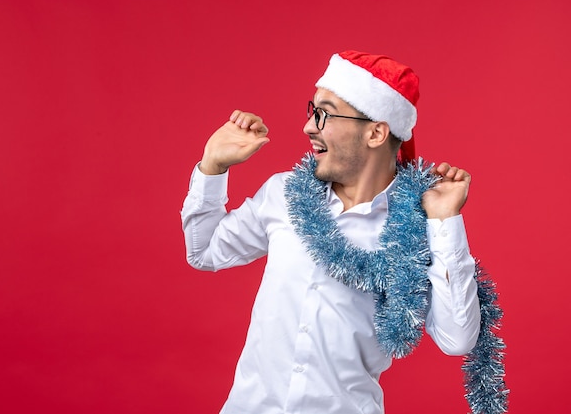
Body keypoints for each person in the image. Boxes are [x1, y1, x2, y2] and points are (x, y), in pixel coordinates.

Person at [181, 50, 483, 414]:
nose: (309, 126)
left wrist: (445, 220)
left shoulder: (418, 228)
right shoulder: (283, 193)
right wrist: (212, 166)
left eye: (323, 113)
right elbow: (205, 251)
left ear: (375, 132)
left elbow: (458, 338)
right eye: (311, 110)